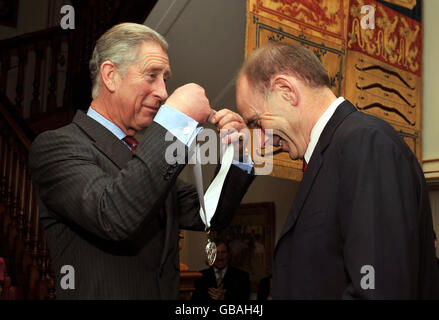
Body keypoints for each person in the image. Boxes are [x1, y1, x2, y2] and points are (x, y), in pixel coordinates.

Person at [28, 23, 254, 299]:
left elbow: (208, 213)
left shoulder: (142, 153)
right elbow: (112, 215)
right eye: (151, 76)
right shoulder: (58, 146)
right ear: (110, 76)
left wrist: (239, 153)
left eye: (165, 79)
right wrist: (175, 122)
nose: (163, 93)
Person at [235, 41, 439, 299]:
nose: (261, 142)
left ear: (286, 90)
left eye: (256, 122)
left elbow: (376, 290)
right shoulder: (332, 151)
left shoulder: (364, 143)